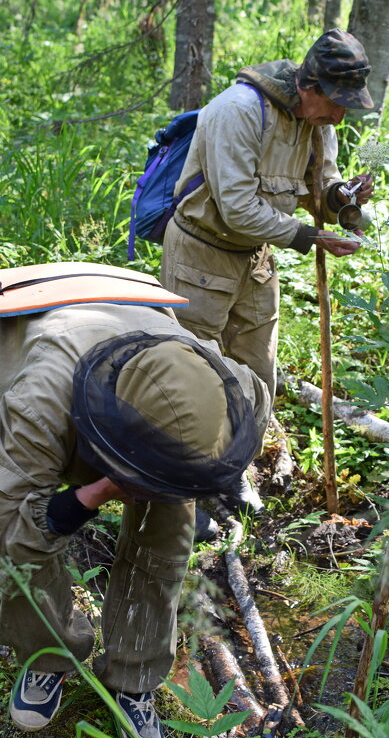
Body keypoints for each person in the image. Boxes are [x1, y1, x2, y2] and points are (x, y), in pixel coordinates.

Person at [0, 271, 270, 737]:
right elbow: (11, 534)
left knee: (167, 542)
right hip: (44, 332)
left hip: (142, 342)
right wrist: (91, 495)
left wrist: (183, 478)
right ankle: (50, 655)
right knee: (19, 555)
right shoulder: (39, 401)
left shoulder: (234, 388)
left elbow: (257, 405)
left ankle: (134, 677)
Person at [160, 27, 375, 411]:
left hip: (256, 260)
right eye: (336, 102)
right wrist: (311, 237)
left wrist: (340, 197)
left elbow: (319, 189)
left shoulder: (318, 124)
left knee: (258, 375)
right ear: (310, 86)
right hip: (200, 257)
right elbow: (237, 207)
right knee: (189, 375)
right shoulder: (239, 111)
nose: (340, 117)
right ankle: (188, 466)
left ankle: (242, 460)